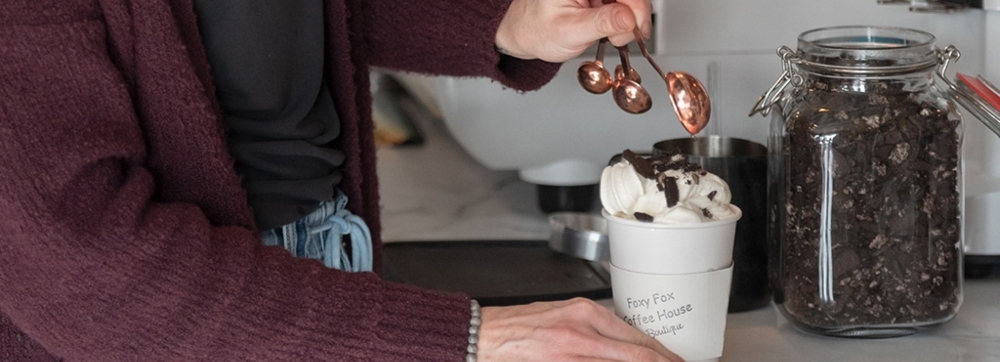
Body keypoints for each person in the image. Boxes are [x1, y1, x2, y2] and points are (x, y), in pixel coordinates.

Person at [0, 0, 683, 360]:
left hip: (328, 265)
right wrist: (470, 340)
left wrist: (503, 21)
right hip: (175, 320)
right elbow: (84, 272)